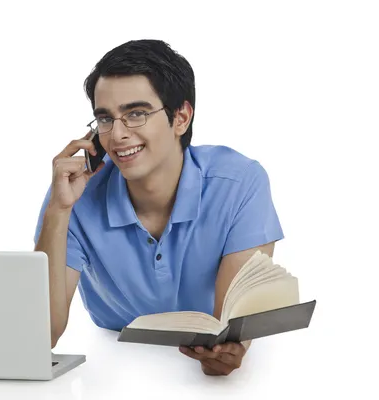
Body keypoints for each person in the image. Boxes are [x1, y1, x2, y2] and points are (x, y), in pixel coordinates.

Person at [33, 39, 284, 376]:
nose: (117, 134)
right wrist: (58, 210)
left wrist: (229, 351)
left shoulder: (239, 183)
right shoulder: (75, 195)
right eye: (105, 119)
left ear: (180, 117)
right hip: (116, 357)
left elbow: (233, 324)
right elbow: (40, 335)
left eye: (135, 114)